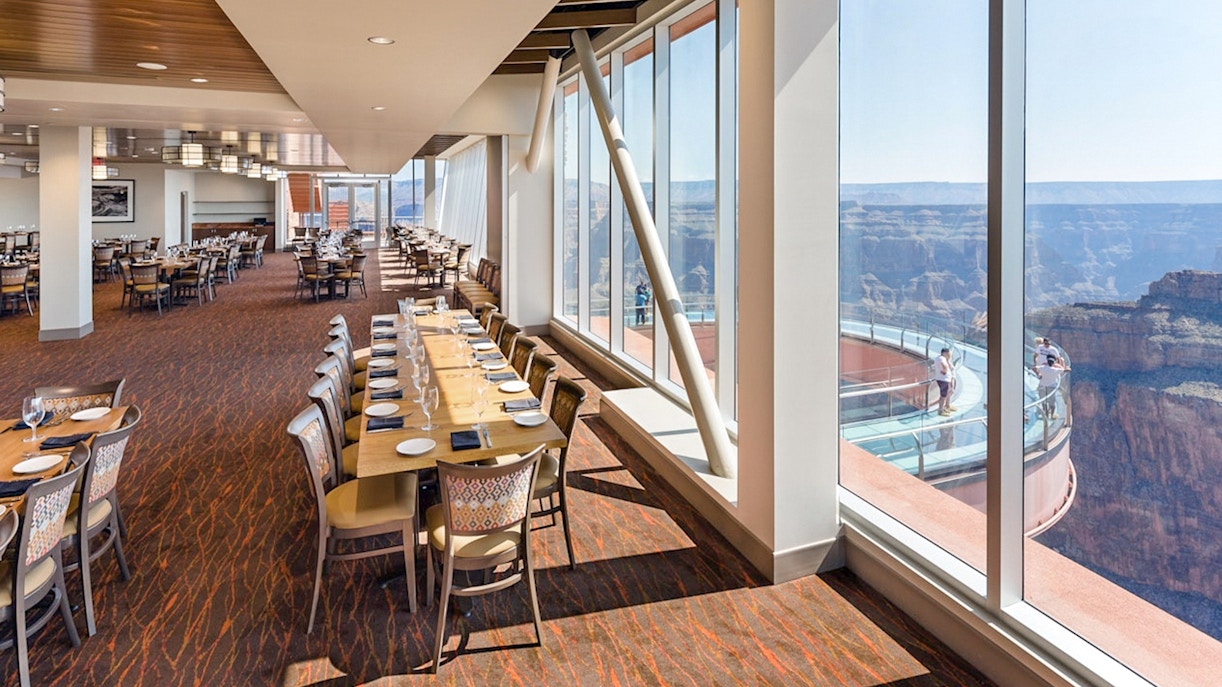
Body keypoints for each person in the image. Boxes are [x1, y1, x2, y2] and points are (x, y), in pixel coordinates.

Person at [1035, 354, 1070, 420]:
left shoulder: (1043, 367)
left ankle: (1045, 414)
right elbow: (1067, 370)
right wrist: (1067, 367)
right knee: (1052, 402)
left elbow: (1034, 368)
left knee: (1044, 401)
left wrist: (1039, 374)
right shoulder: (1055, 370)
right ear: (1053, 363)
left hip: (1042, 386)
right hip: (1051, 387)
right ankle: (1052, 415)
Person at [934, 347, 956, 416]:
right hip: (943, 380)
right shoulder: (941, 358)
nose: (950, 355)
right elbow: (944, 365)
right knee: (943, 395)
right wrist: (945, 370)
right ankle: (940, 410)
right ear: (945, 353)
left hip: (944, 379)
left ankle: (945, 407)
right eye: (949, 353)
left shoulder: (942, 358)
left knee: (946, 394)